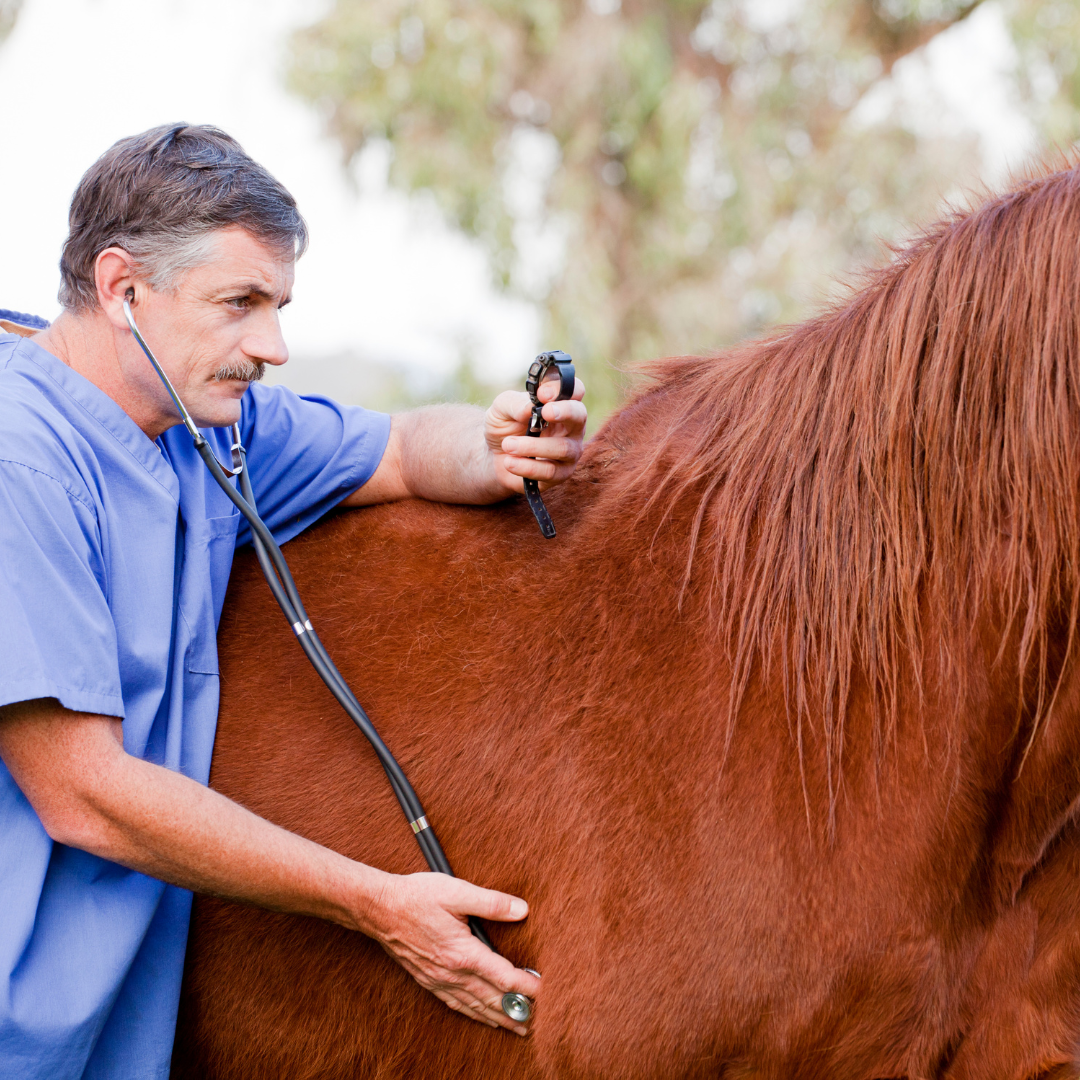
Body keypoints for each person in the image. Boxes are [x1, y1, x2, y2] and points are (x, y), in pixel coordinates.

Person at [0, 124, 586, 1080]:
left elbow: (398, 448)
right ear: (122, 289)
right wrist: (379, 904)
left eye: (277, 306)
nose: (271, 346)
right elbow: (83, 795)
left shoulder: (211, 431)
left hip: (111, 1031)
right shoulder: (18, 460)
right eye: (240, 304)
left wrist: (499, 449)